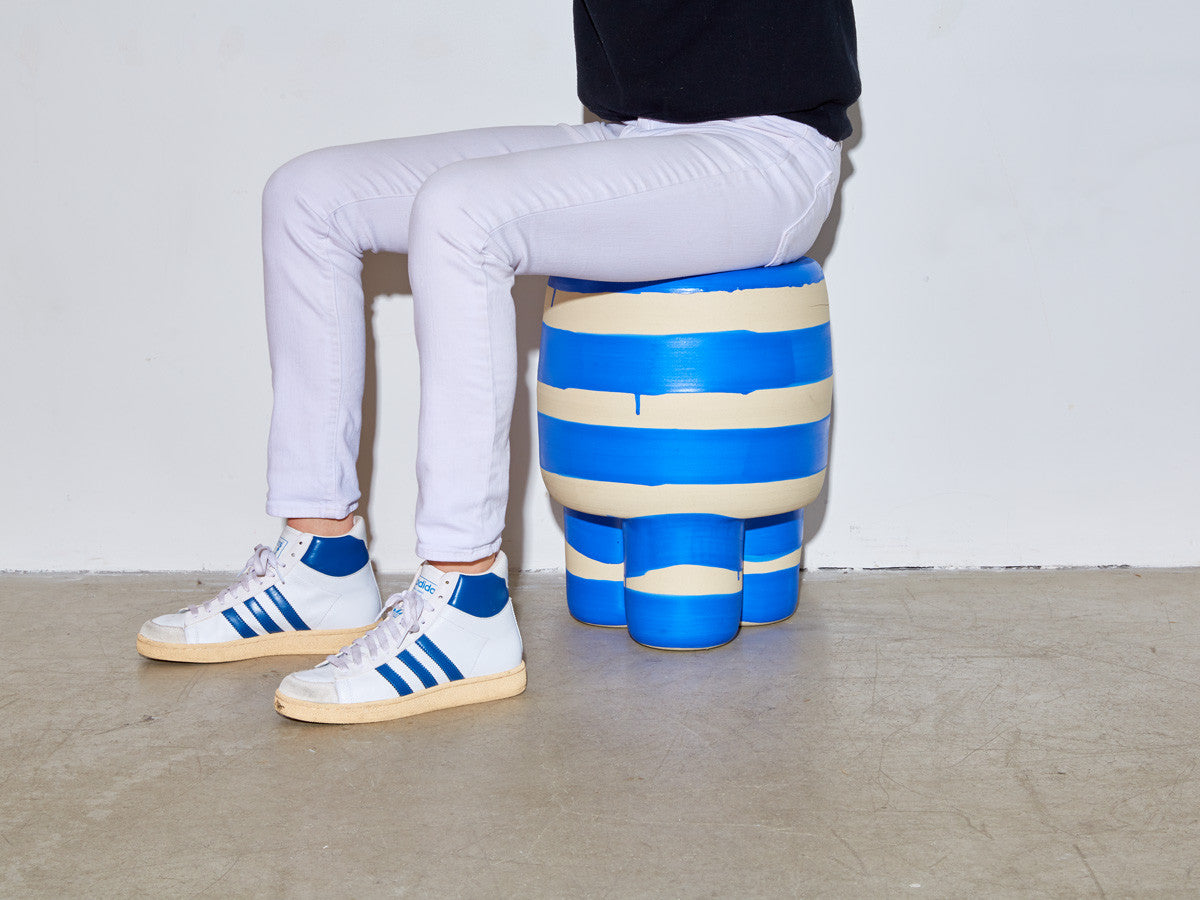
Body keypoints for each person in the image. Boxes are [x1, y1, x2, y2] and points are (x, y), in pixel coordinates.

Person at [136, 0, 861, 724]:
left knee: (462, 214)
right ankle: (320, 560)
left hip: (768, 147)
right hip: (630, 135)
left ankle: (465, 598)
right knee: (308, 198)